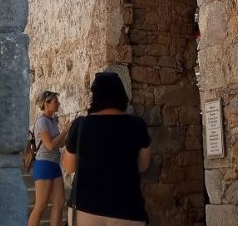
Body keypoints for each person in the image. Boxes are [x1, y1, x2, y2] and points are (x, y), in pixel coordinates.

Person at [62, 72, 152, 226]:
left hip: (86, 206)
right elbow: (143, 166)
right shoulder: (137, 125)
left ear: (94, 97)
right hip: (127, 207)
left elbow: (69, 167)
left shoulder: (81, 125)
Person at [29, 90, 73, 226]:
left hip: (54, 164)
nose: (58, 103)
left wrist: (68, 133)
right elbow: (49, 145)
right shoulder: (42, 122)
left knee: (59, 203)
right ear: (46, 104)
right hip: (44, 165)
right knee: (41, 205)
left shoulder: (53, 121)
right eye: (55, 101)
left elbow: (59, 144)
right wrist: (65, 131)